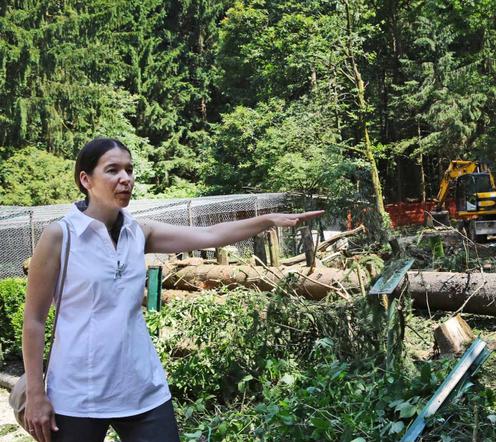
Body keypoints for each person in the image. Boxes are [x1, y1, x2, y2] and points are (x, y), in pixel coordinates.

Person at [22, 138, 322, 442]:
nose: (125, 178)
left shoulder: (138, 232)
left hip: (142, 389)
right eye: (112, 170)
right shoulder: (60, 236)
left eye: (129, 169)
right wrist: (36, 393)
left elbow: (210, 234)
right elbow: (34, 319)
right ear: (86, 179)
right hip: (77, 395)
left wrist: (268, 220)